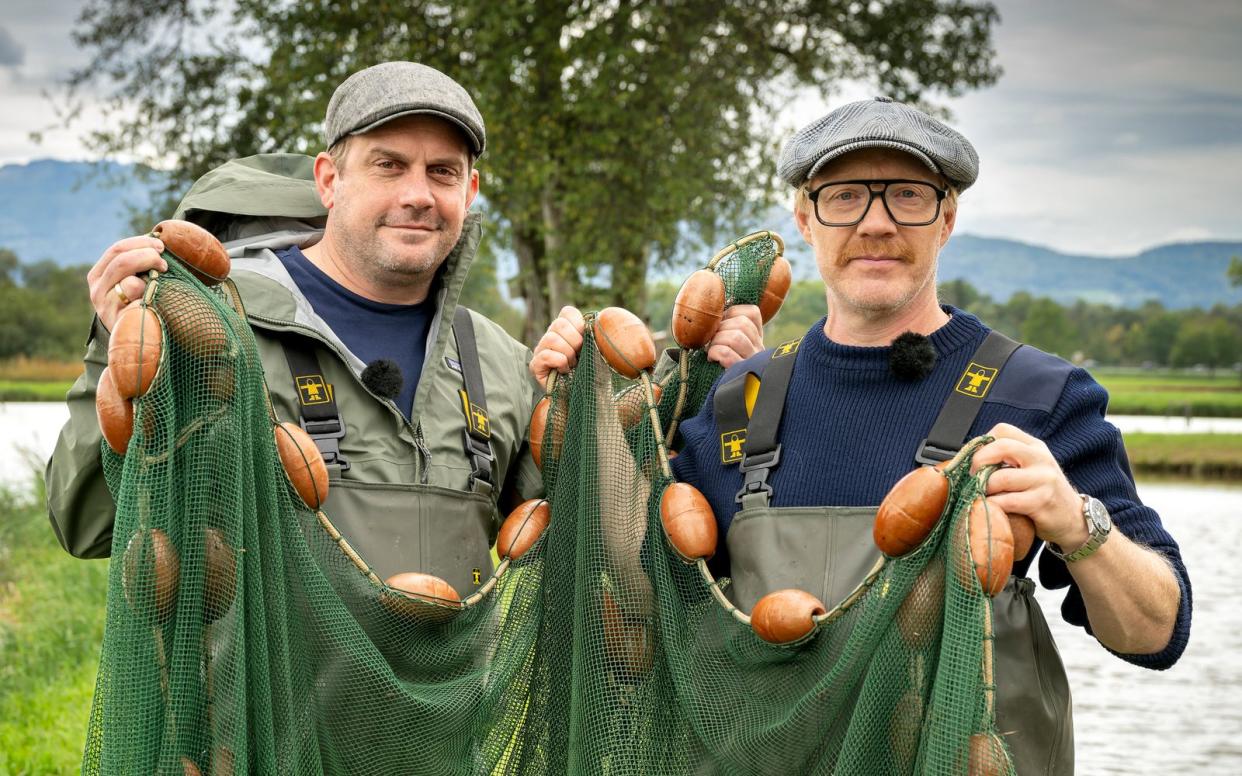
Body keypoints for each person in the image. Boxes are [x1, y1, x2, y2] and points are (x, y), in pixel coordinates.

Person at [531, 96, 1191, 774]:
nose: (875, 223)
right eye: (845, 197)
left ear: (948, 217)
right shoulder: (741, 397)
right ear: (805, 218)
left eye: (907, 195)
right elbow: (639, 596)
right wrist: (587, 417)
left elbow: (1156, 632)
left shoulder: (1038, 395)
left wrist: (1080, 525)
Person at [47, 61, 547, 594]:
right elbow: (88, 523)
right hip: (256, 683)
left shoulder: (503, 363)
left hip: (465, 682)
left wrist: (587, 399)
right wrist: (116, 348)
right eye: (389, 165)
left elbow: (585, 542)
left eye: (442, 171)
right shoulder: (212, 325)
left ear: (469, 191)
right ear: (329, 181)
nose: (418, 195)